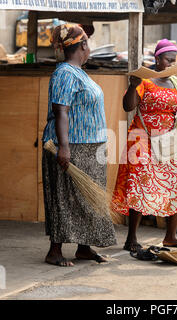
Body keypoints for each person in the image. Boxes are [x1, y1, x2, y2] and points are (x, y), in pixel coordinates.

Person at [42, 24, 116, 267]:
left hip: (90, 147)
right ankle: (55, 251)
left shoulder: (79, 72)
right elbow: (60, 110)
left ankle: (84, 248)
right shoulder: (65, 73)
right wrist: (64, 147)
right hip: (72, 145)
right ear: (83, 44)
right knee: (65, 197)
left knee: (86, 199)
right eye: (88, 42)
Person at [111, 39, 177, 252]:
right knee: (140, 186)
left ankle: (171, 237)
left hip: (168, 141)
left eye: (175, 61)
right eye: (168, 60)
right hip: (142, 139)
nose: (172, 64)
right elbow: (128, 106)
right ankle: (131, 239)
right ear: (157, 59)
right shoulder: (145, 81)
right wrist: (132, 86)